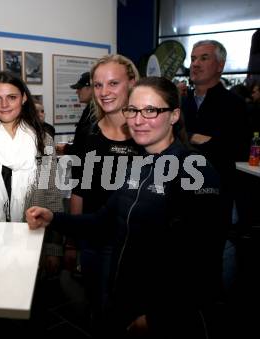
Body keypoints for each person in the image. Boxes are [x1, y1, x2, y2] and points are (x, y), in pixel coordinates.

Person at [27, 76, 225, 338]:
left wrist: (159, 317)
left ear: (174, 115)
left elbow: (202, 262)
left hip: (163, 314)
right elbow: (104, 221)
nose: (138, 120)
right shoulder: (137, 166)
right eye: (132, 110)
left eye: (151, 110)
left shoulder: (194, 170)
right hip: (123, 299)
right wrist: (54, 218)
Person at [0, 71, 64, 275]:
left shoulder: (44, 142)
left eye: (12, 97)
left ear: (24, 98)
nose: (4, 104)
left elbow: (52, 196)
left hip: (34, 241)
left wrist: (54, 249)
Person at [70, 54, 141, 333]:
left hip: (136, 242)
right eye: (98, 85)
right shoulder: (87, 131)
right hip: (95, 238)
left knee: (129, 314)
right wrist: (74, 242)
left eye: (113, 83)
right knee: (98, 310)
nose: (104, 92)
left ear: (131, 83)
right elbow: (80, 187)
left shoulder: (145, 130)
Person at [182, 40, 251, 231]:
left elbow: (239, 149)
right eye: (193, 58)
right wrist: (195, 136)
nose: (195, 64)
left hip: (216, 194)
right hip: (178, 190)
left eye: (204, 58)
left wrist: (189, 138)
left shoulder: (234, 105)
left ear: (220, 65)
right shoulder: (181, 103)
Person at [56, 71, 95, 155]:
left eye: (80, 88)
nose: (77, 92)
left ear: (91, 88)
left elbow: (86, 148)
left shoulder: (96, 113)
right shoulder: (90, 110)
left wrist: (65, 148)